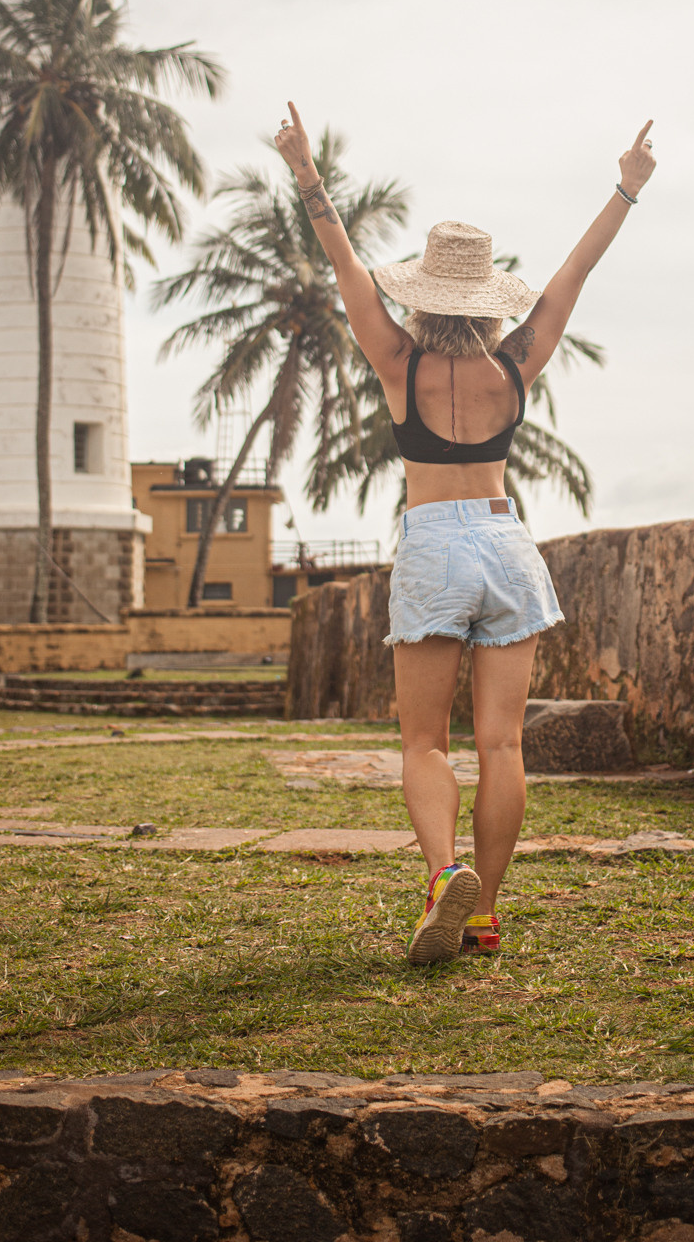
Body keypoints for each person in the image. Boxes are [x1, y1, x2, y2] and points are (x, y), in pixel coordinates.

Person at [273, 102, 657, 962]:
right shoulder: (515, 364)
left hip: (435, 543)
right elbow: (572, 275)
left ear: (421, 295)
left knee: (423, 741)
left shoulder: (398, 362)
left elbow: (343, 268)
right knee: (503, 742)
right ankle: (486, 915)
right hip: (505, 541)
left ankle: (446, 874)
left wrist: (307, 174)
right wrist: (625, 192)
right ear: (486, 301)